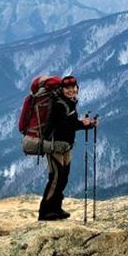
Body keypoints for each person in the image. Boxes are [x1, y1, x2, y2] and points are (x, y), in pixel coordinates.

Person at [38, 75, 99, 221]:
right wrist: (83, 124)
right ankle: (45, 211)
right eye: (68, 88)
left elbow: (71, 124)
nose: (71, 90)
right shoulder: (59, 104)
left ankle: (56, 208)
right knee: (56, 178)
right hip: (55, 146)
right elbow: (63, 126)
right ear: (62, 89)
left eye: (73, 87)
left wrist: (88, 125)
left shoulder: (69, 102)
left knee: (63, 178)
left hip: (66, 146)